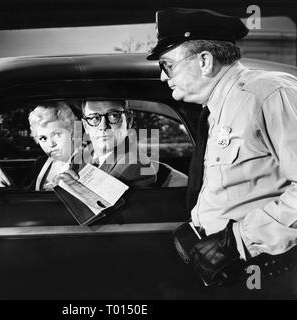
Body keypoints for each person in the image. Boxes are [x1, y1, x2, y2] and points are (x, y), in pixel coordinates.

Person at [147, 8, 297, 284]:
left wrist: (241, 239)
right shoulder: (220, 106)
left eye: (167, 65)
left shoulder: (268, 94)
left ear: (205, 60)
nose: (162, 77)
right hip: (231, 270)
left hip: (267, 272)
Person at [77, 99, 187, 188]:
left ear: (129, 121)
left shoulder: (134, 166)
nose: (103, 126)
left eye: (113, 116)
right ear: (86, 126)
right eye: (94, 118)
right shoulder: (82, 155)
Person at [22, 101, 78, 190]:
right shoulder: (40, 163)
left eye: (56, 134)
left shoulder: (85, 163)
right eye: (43, 138)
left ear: (71, 130)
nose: (51, 144)